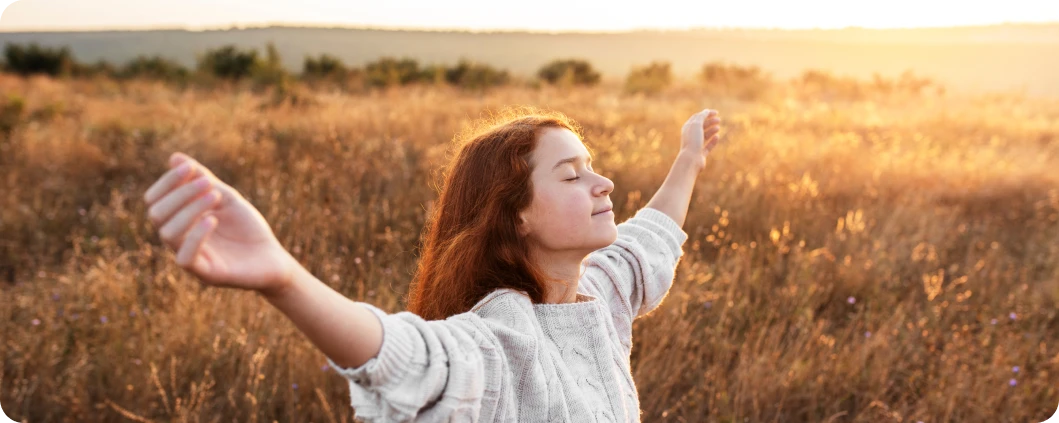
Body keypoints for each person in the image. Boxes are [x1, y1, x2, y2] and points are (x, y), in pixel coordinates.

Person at [142, 106, 722, 422]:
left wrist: (689, 160)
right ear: (515, 217)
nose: (604, 183)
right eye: (572, 175)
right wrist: (284, 278)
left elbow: (651, 240)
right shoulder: (502, 339)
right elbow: (405, 359)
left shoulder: (599, 291)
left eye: (591, 166)